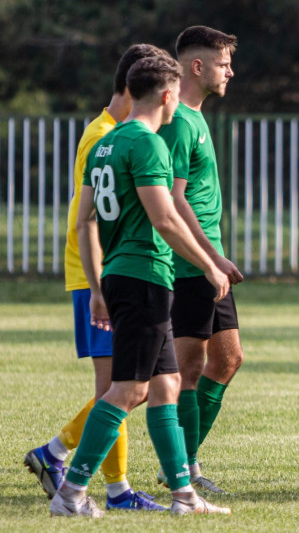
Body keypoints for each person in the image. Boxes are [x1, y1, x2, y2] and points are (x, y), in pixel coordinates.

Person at [51, 54, 231, 517]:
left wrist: (96, 286)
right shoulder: (147, 144)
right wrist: (210, 265)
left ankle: (184, 496)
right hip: (145, 275)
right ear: (168, 95)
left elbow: (84, 223)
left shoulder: (104, 145)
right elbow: (165, 217)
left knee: (167, 384)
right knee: (128, 390)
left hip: (121, 275)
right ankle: (71, 493)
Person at [24, 44, 169, 512]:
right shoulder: (106, 136)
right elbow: (89, 217)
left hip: (109, 270)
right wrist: (98, 281)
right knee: (118, 385)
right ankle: (86, 470)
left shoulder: (112, 132)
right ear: (134, 88)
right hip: (103, 273)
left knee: (127, 384)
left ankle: (99, 476)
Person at [157, 26, 243, 494]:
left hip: (209, 262)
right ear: (197, 66)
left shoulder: (196, 116)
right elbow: (175, 199)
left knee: (228, 359)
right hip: (191, 264)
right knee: (187, 370)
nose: (230, 70)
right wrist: (212, 258)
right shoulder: (178, 123)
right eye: (224, 62)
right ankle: (181, 469)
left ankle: (186, 461)